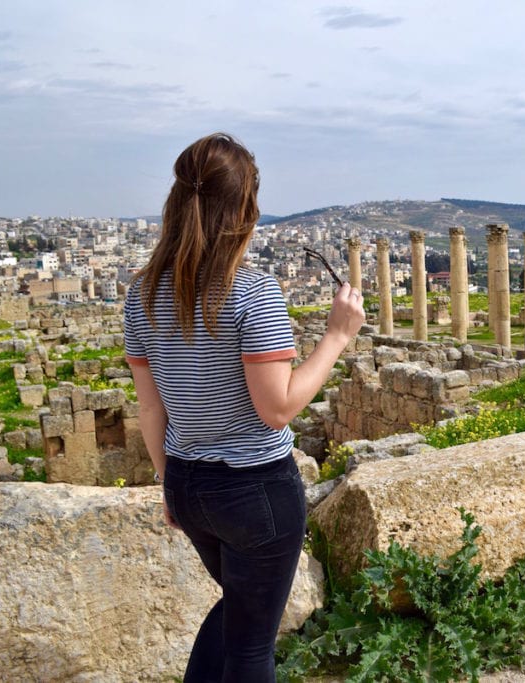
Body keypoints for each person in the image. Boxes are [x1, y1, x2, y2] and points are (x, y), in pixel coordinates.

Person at [124, 132, 365, 682]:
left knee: (238, 610)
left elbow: (150, 410)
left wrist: (169, 481)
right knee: (253, 646)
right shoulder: (250, 291)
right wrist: (336, 336)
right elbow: (277, 409)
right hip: (256, 491)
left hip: (188, 485)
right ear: (245, 210)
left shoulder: (140, 293)